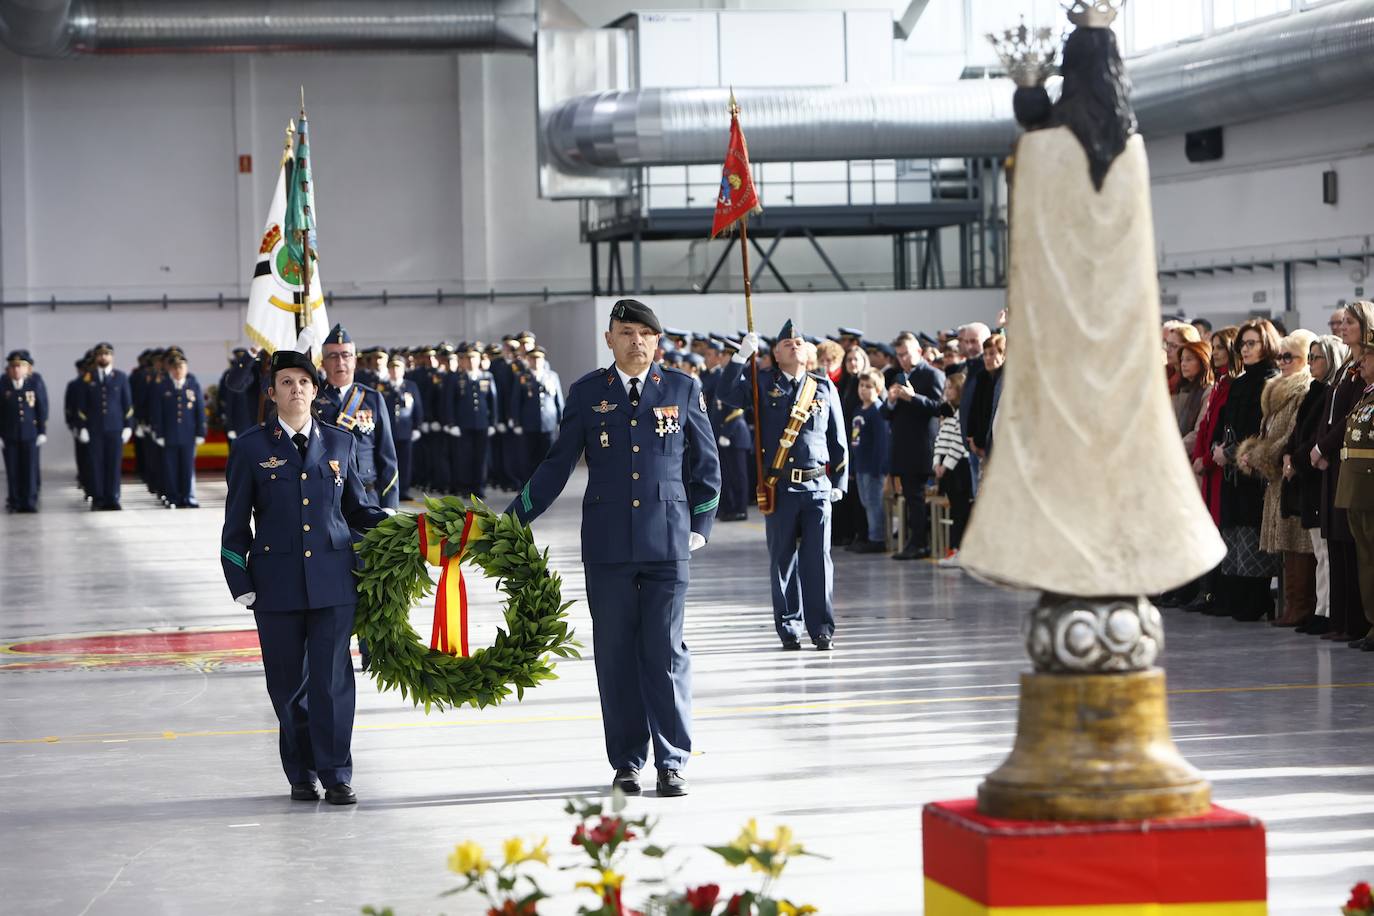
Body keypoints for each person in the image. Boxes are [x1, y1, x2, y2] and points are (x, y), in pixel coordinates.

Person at [508, 299, 720, 798]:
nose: (637, 341)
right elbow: (557, 465)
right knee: (616, 655)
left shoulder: (684, 389)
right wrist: (513, 520)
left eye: (646, 333)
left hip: (668, 543)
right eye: (627, 332)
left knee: (665, 653)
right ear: (609, 339)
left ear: (657, 340)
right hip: (607, 547)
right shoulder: (587, 394)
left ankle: (671, 761)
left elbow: (707, 465)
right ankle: (627, 760)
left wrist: (700, 525)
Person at [220, 341, 389, 805]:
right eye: (286, 383)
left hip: (335, 581)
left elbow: (358, 510)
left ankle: (336, 772)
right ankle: (301, 771)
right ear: (272, 393)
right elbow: (235, 527)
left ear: (316, 391)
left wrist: (406, 525)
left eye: (304, 382)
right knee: (287, 685)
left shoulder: (340, 441)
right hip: (276, 586)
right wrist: (242, 585)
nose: (296, 389)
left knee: (333, 683)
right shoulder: (251, 448)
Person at [723, 320, 848, 649]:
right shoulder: (763, 383)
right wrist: (740, 358)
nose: (794, 345)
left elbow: (838, 438)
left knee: (818, 560)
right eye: (786, 342)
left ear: (808, 351)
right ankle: (790, 626)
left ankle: (821, 627)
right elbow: (725, 394)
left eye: (799, 341)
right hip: (780, 487)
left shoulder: (823, 387)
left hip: (818, 486)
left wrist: (841, 481)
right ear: (775, 354)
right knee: (783, 560)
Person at [1236, 331, 1316, 626]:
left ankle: (1301, 606)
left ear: (1304, 359)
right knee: (1285, 544)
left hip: (1290, 474)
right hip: (1276, 477)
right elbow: (1267, 431)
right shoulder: (1275, 388)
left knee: (1298, 542)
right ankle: (1292, 605)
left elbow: (1290, 433)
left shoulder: (1303, 389)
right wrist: (1253, 452)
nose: (1282, 362)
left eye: (1289, 356)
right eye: (1280, 356)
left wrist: (1262, 456)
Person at [1210, 319, 1282, 621]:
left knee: (1253, 535)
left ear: (1267, 344)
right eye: (1243, 344)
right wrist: (1219, 448)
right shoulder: (1239, 382)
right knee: (1235, 534)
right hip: (1231, 472)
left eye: (1252, 343)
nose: (1246, 349)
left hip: (1254, 472)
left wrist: (1231, 452)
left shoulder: (1272, 381)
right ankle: (1238, 596)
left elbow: (1262, 430)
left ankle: (1256, 598)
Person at [1311, 301, 1373, 642]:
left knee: (1354, 545)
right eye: (1343, 321)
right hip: (1334, 462)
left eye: (1351, 322)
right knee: (1337, 541)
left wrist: (1323, 447)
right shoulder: (1347, 366)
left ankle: (1358, 621)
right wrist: (1319, 445)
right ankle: (1343, 620)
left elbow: (1352, 415)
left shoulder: (1364, 367)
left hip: (1347, 461)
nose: (1344, 326)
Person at [1286, 334, 1350, 634]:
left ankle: (1327, 611)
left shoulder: (1330, 393)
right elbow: (1299, 432)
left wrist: (1299, 459)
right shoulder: (1315, 391)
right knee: (1318, 550)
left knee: (1325, 551)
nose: (1311, 363)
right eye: (1309, 357)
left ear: (1332, 358)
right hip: (1306, 475)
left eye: (1317, 357)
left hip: (1318, 475)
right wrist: (1289, 457)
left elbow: (1317, 436)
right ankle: (1321, 608)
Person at [316, 324, 399, 510]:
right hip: (323, 500)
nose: (340, 362)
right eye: (333, 356)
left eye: (346, 355)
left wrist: (390, 506)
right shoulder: (312, 398)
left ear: (354, 360)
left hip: (367, 498)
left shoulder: (373, 398)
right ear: (322, 363)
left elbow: (387, 456)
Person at [883, 331, 946, 561]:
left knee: (917, 498)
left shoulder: (933, 375)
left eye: (906, 354)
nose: (902, 359)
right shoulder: (898, 376)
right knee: (910, 498)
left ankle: (918, 543)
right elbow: (886, 414)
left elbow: (940, 407)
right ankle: (915, 540)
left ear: (919, 352)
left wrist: (913, 397)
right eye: (899, 355)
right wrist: (890, 401)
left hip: (922, 446)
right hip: (903, 446)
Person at [1336, 329, 1374, 650]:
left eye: (1368, 356)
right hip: (1357, 490)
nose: (1360, 362)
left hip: (1370, 490)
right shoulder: (1365, 395)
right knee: (1366, 560)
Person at [77, 342, 134, 511]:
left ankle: (113, 497)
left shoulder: (121, 377)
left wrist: (128, 426)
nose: (103, 357)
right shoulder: (88, 378)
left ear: (112, 357)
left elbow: (128, 404)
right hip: (94, 429)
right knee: (96, 465)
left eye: (107, 354)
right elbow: (81, 406)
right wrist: (82, 427)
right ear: (96, 357)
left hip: (115, 429)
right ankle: (98, 498)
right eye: (100, 354)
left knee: (113, 464)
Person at [148, 348, 207, 509]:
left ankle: (187, 497)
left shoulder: (192, 385)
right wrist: (158, 432)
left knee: (187, 468)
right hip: (169, 435)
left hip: (188, 435)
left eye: (181, 367)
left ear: (186, 369)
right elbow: (157, 412)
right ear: (170, 370)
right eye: (175, 367)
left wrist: (201, 431)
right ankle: (173, 497)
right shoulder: (163, 387)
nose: (178, 370)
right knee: (171, 468)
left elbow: (200, 410)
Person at [443, 343, 499, 500]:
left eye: (475, 358)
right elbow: (450, 402)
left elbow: (493, 401)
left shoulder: (487, 376)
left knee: (481, 457)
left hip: (482, 424)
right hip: (463, 424)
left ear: (480, 359)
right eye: (468, 358)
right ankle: (465, 487)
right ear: (463, 360)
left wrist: (493, 423)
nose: (472, 361)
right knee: (464, 457)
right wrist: (451, 423)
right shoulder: (456, 378)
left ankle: (479, 487)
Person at [847, 368, 889, 554]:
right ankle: (870, 535)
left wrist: (878, 467)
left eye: (869, 386)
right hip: (860, 465)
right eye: (861, 385)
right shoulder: (859, 410)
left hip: (873, 467)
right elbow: (854, 439)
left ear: (878, 390)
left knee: (874, 503)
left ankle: (877, 538)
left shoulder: (877, 411)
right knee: (865, 501)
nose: (863, 389)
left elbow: (881, 442)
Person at [933, 371, 973, 567]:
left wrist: (946, 464)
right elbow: (941, 440)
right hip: (946, 467)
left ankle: (958, 550)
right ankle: (955, 549)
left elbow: (958, 442)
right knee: (957, 509)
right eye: (946, 387)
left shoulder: (961, 412)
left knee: (960, 510)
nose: (947, 391)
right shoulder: (947, 411)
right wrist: (936, 463)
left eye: (951, 387)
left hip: (958, 466)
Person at [2, 350, 47, 513]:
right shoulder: (3, 384)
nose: (16, 370)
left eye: (19, 366)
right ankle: (14, 501)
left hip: (30, 433)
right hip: (9, 434)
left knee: (29, 469)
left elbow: (41, 407)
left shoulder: (34, 383)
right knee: (12, 470)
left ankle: (29, 502)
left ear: (26, 368)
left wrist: (42, 431)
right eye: (13, 366)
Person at [511, 346, 564, 476]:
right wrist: (516, 422)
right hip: (529, 424)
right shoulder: (522, 377)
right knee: (528, 459)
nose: (536, 361)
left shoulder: (552, 376)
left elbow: (559, 400)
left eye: (539, 358)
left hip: (549, 423)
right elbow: (516, 401)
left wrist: (561, 420)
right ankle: (528, 489)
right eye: (533, 358)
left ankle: (546, 488)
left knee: (548, 458)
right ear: (528, 360)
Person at [378, 353, 424, 501]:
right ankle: (388, 489)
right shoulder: (381, 386)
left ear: (403, 370)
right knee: (388, 461)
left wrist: (417, 427)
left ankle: (403, 490)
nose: (395, 371)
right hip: (388, 431)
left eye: (398, 368)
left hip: (406, 431)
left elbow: (418, 408)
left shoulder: (410, 386)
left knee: (405, 462)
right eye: (392, 368)